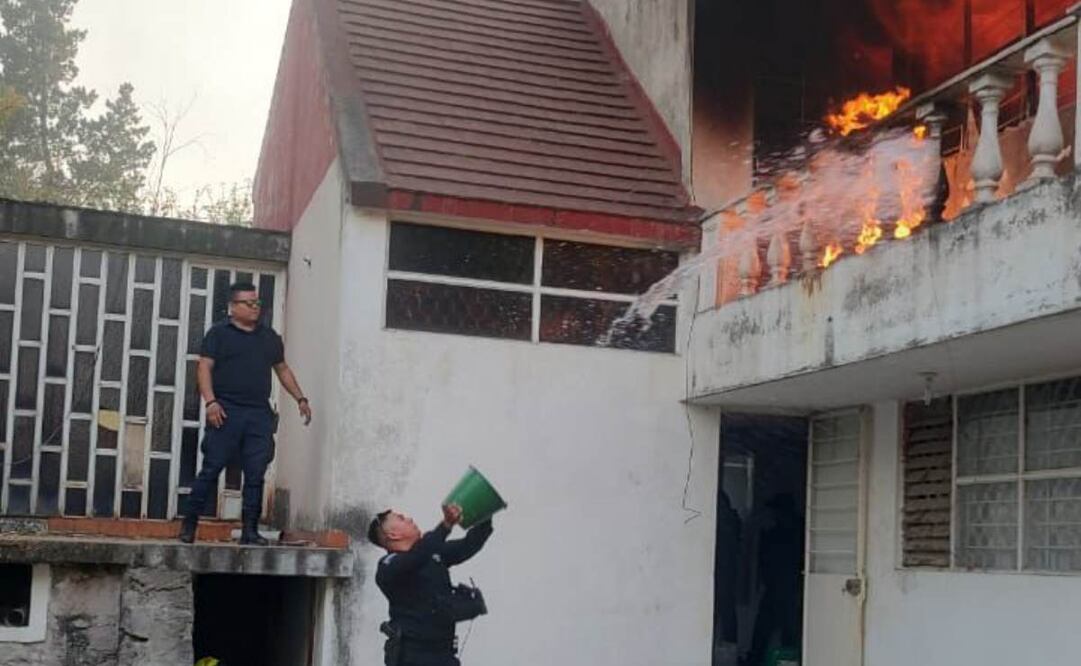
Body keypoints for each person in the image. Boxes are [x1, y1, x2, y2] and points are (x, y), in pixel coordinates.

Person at [179, 282, 312, 545]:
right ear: (233, 307)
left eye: (257, 304)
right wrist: (211, 402)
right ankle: (189, 525)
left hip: (258, 414)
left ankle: (250, 531)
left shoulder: (269, 337)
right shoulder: (218, 334)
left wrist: (300, 398)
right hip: (226, 411)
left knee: (255, 472)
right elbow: (204, 368)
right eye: (249, 304)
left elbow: (282, 369)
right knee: (211, 468)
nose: (255, 308)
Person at [368, 504, 494, 666]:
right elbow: (416, 557)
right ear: (393, 534)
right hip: (414, 658)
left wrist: (486, 513)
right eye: (401, 518)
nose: (409, 519)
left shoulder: (432, 553)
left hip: (444, 655)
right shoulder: (389, 567)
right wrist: (446, 525)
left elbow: (468, 545)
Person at [745, 493, 804, 666]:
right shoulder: (779, 532)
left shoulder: (793, 532)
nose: (774, 515)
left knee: (786, 634)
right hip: (780, 589)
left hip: (789, 590)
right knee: (768, 633)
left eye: (776, 512)